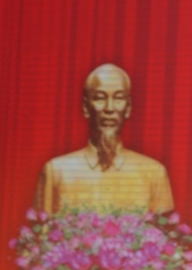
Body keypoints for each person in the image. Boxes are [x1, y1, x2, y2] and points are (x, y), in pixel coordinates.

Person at [34, 63, 174, 214]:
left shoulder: (153, 173)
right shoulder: (56, 171)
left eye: (118, 98)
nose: (109, 108)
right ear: (86, 107)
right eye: (100, 98)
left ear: (128, 108)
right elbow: (40, 226)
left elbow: (164, 227)